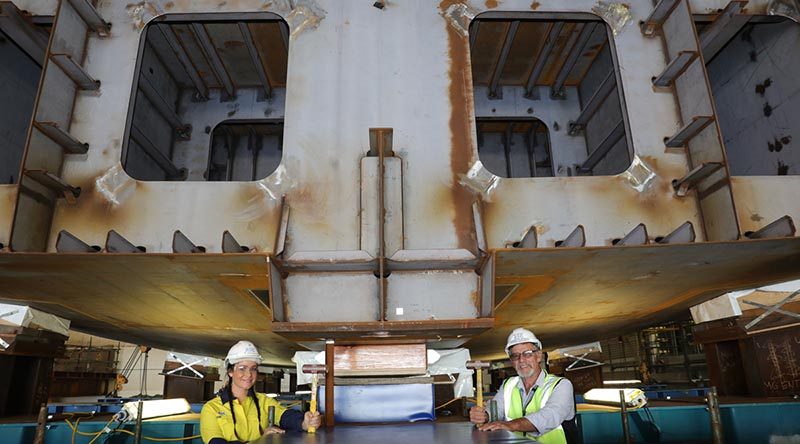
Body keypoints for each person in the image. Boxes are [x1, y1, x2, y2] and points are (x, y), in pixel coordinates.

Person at [201, 341, 323, 443]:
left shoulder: (264, 401)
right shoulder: (211, 409)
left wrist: (304, 422)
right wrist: (260, 440)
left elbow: (285, 416)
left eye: (253, 369)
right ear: (230, 372)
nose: (248, 374)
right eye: (242, 368)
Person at [469, 328, 578, 444]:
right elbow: (497, 408)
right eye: (515, 356)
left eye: (527, 354)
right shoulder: (508, 385)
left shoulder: (561, 385)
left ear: (538, 356)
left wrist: (510, 425)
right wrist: (484, 415)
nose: (521, 360)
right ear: (512, 361)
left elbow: (549, 417)